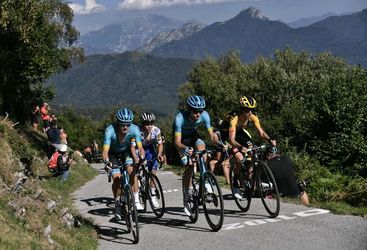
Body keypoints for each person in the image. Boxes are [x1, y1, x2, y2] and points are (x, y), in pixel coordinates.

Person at [173, 95, 223, 216]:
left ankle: (205, 179)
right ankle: (187, 195)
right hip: (181, 141)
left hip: (193, 135)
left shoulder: (205, 115)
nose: (198, 115)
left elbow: (211, 136)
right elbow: (177, 142)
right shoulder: (179, 118)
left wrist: (220, 144)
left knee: (202, 150)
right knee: (189, 166)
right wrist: (185, 149)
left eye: (200, 111)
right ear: (189, 110)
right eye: (195, 112)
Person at [222, 96, 276, 200]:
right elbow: (232, 139)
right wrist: (241, 147)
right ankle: (235, 184)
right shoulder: (234, 118)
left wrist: (270, 140)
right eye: (247, 110)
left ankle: (251, 178)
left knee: (254, 151)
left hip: (240, 131)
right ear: (241, 110)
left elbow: (261, 133)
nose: (249, 112)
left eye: (251, 110)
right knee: (239, 158)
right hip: (227, 134)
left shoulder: (252, 116)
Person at [102, 108, 145, 220]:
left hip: (125, 152)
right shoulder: (110, 130)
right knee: (117, 178)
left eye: (127, 125)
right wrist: (107, 162)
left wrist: (142, 156)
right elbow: (105, 151)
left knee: (132, 171)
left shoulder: (135, 129)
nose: (125, 127)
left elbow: (140, 147)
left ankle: (135, 199)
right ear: (118, 123)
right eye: (122, 125)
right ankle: (117, 205)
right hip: (113, 154)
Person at [139, 112, 164, 208]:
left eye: (151, 123)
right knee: (138, 165)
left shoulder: (156, 130)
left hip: (149, 149)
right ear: (142, 123)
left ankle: (152, 194)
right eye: (146, 124)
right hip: (139, 148)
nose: (149, 126)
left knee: (153, 171)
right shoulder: (138, 131)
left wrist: (159, 154)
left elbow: (160, 144)